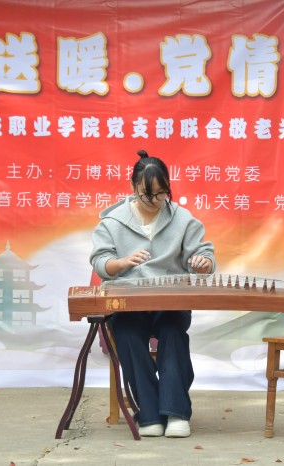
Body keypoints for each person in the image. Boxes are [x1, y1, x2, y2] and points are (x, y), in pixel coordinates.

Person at [90, 149, 216, 438]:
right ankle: (149, 414)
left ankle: (176, 413)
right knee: (128, 335)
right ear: (133, 187)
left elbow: (203, 255)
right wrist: (122, 263)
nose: (154, 201)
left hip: (170, 302)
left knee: (173, 332)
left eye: (161, 194)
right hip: (128, 303)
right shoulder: (113, 222)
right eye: (147, 195)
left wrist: (202, 262)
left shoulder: (182, 219)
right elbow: (100, 262)